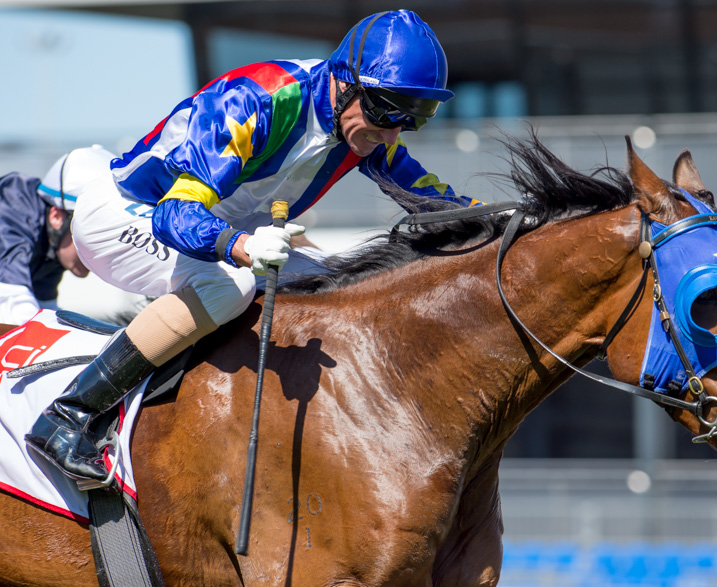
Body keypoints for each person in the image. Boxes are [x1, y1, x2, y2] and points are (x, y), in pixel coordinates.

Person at [26, 9, 482, 483]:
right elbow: (173, 214)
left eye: (411, 120)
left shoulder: (361, 125)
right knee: (232, 284)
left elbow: (432, 198)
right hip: (125, 214)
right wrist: (239, 245)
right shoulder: (257, 101)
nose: (391, 133)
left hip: (211, 227)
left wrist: (504, 218)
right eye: (386, 112)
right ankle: (70, 414)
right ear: (344, 83)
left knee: (336, 282)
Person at [0, 145, 115, 325]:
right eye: (94, 237)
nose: (100, 255)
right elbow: (12, 308)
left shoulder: (53, 243)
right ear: (56, 216)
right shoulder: (12, 211)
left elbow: (45, 312)